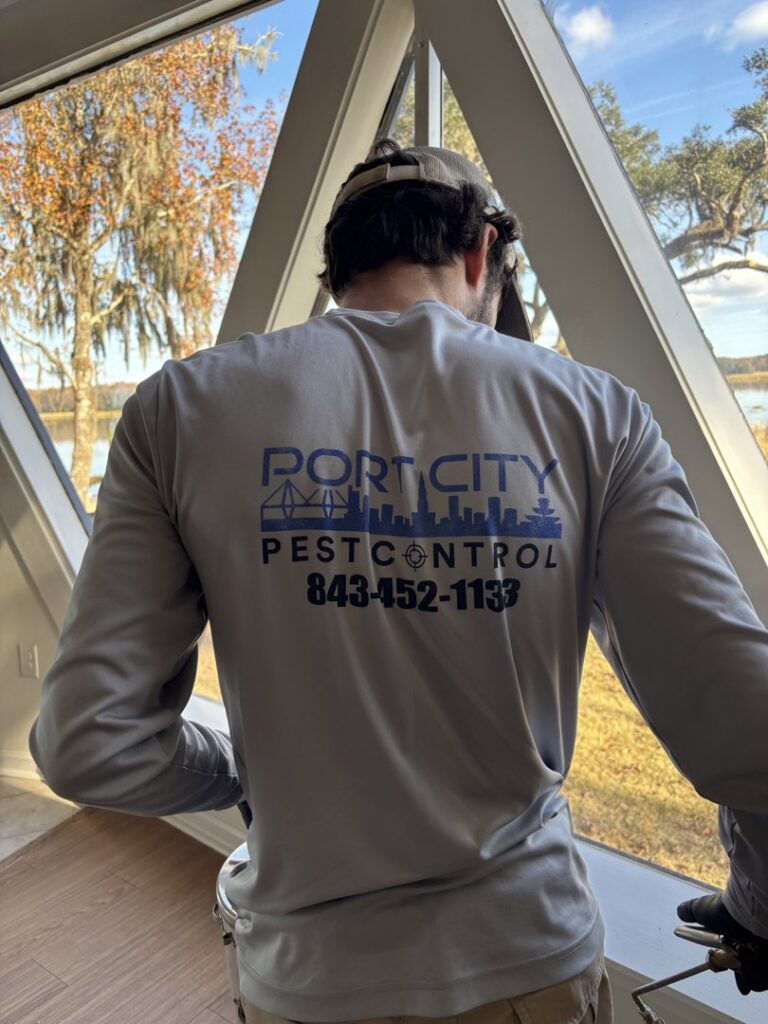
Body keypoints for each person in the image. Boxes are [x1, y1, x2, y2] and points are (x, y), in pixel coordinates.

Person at [28, 139, 768, 1024]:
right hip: (529, 964)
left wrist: (239, 770)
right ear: (479, 252)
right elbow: (748, 732)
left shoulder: (179, 409)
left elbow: (86, 745)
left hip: (305, 984)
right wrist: (758, 907)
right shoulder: (596, 412)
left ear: (338, 264)